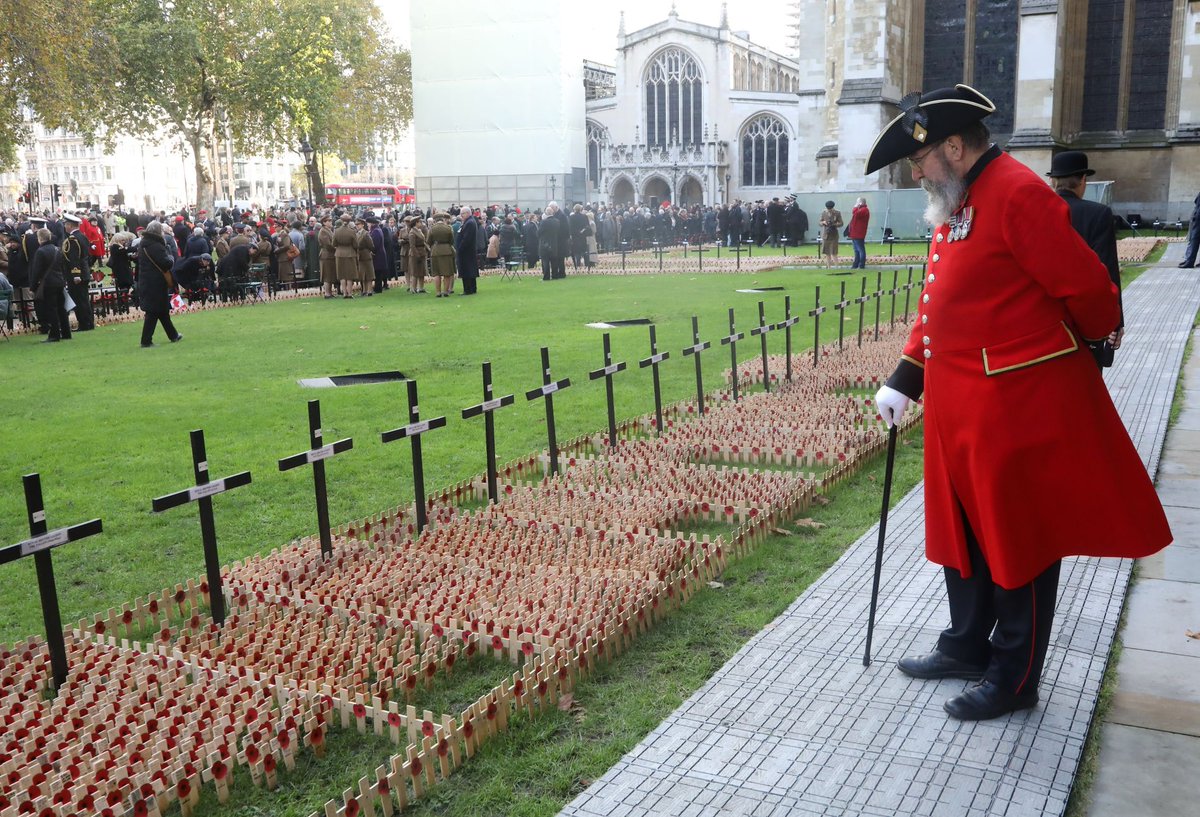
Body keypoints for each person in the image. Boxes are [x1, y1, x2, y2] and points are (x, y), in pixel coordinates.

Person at [868, 83, 1172, 721]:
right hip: (960, 404)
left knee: (1018, 540)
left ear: (954, 146)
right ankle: (966, 643)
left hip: (1013, 403)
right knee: (966, 535)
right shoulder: (959, 199)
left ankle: (1015, 674)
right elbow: (939, 302)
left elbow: (1089, 289)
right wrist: (906, 375)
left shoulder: (1017, 192)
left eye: (921, 159)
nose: (917, 172)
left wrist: (1075, 352)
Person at [1046, 151, 1123, 368]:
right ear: (1083, 180)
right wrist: (1116, 322)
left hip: (1047, 322)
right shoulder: (1098, 213)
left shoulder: (1040, 211)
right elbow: (1107, 269)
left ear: (1053, 181)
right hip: (1086, 321)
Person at [135, 222, 182, 347]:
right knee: (153, 312)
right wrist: (171, 257)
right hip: (155, 282)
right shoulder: (155, 245)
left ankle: (173, 335)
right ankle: (146, 341)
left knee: (162, 311)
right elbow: (166, 263)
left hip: (149, 281)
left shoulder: (144, 243)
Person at [30, 228, 70, 342]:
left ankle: (54, 334)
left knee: (51, 309)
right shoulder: (57, 249)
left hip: (48, 283)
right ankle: (66, 332)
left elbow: (36, 271)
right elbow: (63, 267)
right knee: (61, 308)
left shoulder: (40, 251)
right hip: (59, 281)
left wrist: (33, 286)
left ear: (40, 238)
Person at [61, 214, 95, 330]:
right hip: (84, 272)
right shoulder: (82, 236)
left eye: (66, 224)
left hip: (77, 275)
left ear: (70, 225)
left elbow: (74, 258)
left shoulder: (72, 239)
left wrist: (76, 274)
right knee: (84, 299)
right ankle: (88, 322)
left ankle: (84, 323)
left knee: (79, 300)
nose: (65, 227)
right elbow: (88, 256)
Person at [428, 211, 456, 297]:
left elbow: (428, 241)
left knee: (437, 273)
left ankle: (438, 292)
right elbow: (452, 241)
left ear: (435, 220)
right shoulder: (448, 228)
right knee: (447, 273)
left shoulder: (432, 229)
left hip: (435, 251)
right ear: (443, 219)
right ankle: (446, 291)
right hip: (447, 251)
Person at [333, 213, 358, 298]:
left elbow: (334, 243)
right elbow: (356, 244)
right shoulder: (352, 231)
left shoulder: (336, 231)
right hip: (350, 253)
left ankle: (344, 293)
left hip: (339, 253)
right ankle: (350, 293)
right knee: (349, 275)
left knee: (342, 274)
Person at [455, 205, 479, 295]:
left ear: (468, 213)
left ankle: (468, 289)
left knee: (467, 270)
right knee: (470, 270)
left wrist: (460, 248)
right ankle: (472, 288)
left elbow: (466, 238)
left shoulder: (469, 223)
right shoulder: (469, 222)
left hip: (466, 251)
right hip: (468, 251)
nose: (461, 216)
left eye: (463, 213)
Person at [406, 215, 428, 293]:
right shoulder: (412, 232)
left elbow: (423, 241)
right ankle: (413, 288)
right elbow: (412, 245)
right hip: (415, 254)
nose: (421, 223)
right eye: (419, 222)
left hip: (422, 252)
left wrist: (427, 248)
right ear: (416, 223)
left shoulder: (419, 230)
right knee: (415, 272)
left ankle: (421, 288)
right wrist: (417, 255)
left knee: (422, 271)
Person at [539, 205, 560, 281]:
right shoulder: (557, 221)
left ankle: (546, 277)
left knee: (545, 261)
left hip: (545, 243)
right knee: (554, 261)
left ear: (546, 213)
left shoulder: (544, 222)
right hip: (554, 243)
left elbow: (539, 233)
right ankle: (555, 275)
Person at [848, 197, 870, 269]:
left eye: (857, 202)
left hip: (859, 233)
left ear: (860, 202)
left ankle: (861, 265)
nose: (856, 203)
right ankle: (855, 264)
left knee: (860, 249)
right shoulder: (860, 209)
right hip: (855, 233)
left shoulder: (864, 210)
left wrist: (855, 207)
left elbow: (856, 214)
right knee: (856, 250)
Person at [818, 200, 842, 268]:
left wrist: (834, 224)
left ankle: (837, 267)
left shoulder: (837, 213)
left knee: (834, 252)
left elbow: (841, 223)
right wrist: (823, 222)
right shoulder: (824, 213)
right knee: (827, 252)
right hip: (826, 235)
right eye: (828, 208)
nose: (829, 210)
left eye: (830, 208)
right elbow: (820, 222)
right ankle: (829, 267)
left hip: (834, 235)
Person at [317, 215, 336, 298]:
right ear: (324, 222)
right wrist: (336, 249)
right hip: (326, 255)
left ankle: (329, 292)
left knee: (330, 274)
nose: (330, 222)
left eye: (331, 220)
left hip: (330, 255)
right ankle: (327, 293)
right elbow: (327, 244)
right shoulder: (323, 231)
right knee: (327, 274)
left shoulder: (328, 230)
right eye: (328, 221)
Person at [1180, 191, 1200, 269]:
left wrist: (1195, 217)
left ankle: (1190, 261)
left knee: (1194, 239)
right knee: (1194, 239)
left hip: (1198, 219)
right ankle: (1189, 260)